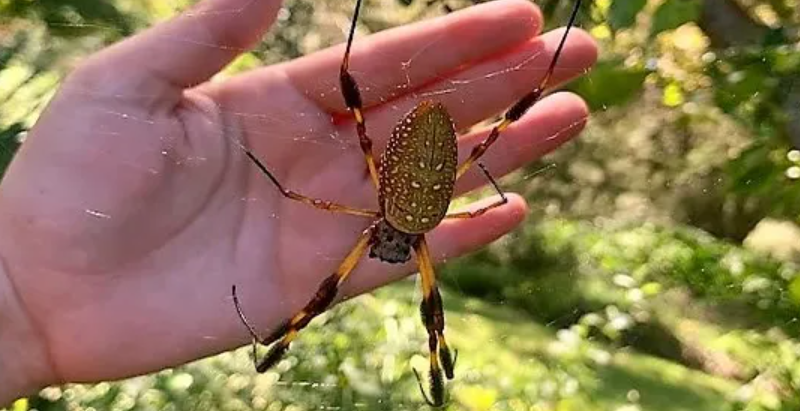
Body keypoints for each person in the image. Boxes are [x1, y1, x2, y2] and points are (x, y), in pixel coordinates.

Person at [0, 0, 597, 405]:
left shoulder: (371, 225)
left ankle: (306, 351)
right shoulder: (406, 237)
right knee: (417, 298)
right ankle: (426, 376)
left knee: (378, 292)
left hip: (415, 171)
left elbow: (344, 166)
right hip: (432, 168)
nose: (390, 252)